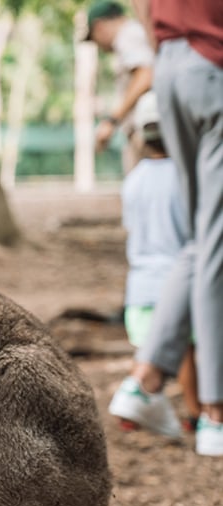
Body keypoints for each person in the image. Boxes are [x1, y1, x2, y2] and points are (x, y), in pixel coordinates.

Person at [118, 0, 223, 457]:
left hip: (172, 66)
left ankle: (145, 381)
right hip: (213, 61)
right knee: (216, 238)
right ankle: (216, 415)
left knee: (205, 237)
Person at [110, 91, 199, 436]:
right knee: (188, 351)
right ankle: (196, 413)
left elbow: (132, 228)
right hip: (176, 281)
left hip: (140, 282)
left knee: (147, 349)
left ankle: (137, 402)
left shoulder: (133, 181)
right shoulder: (186, 177)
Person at [83, 0, 154, 171]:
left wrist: (112, 120)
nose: (98, 45)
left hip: (148, 130)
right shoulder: (133, 34)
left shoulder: (127, 35)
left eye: (94, 39)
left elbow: (146, 75)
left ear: (99, 26)